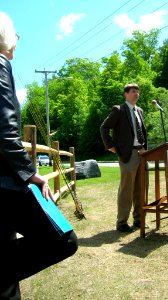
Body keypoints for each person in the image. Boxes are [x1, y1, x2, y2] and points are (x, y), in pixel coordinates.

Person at [0, 11, 78, 299]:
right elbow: (6, 134)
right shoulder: (0, 63)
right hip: (6, 185)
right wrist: (32, 174)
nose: (17, 42)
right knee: (63, 240)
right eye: (15, 35)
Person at [100, 83, 148, 233]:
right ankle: (122, 223)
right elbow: (104, 128)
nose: (137, 94)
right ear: (126, 94)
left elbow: (142, 132)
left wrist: (145, 148)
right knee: (126, 189)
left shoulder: (139, 111)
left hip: (142, 154)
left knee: (142, 188)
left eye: (138, 91)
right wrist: (111, 146)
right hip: (128, 155)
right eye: (133, 91)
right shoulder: (119, 109)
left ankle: (139, 220)